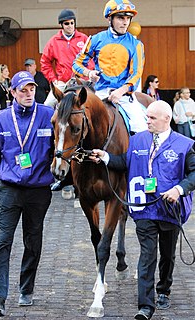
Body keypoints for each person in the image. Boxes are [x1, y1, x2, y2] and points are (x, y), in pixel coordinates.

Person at [90, 100, 195, 320]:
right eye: (147, 117)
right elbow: (124, 163)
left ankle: (164, 289)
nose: (147, 121)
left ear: (167, 119)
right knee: (147, 256)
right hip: (145, 210)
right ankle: (145, 307)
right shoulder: (136, 140)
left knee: (167, 255)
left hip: (170, 209)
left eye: (152, 118)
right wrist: (106, 157)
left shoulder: (185, 144)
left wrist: (179, 189)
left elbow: (193, 174)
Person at [0, 71, 55, 317]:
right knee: (3, 239)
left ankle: (26, 287)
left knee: (32, 241)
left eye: (31, 89)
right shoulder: (1, 120)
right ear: (12, 92)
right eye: (22, 90)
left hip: (39, 191)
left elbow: (65, 143)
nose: (28, 93)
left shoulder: (47, 115)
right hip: (10, 190)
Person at [72, 0, 147, 134]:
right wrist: (89, 73)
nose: (125, 22)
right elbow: (76, 64)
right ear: (109, 18)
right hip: (100, 93)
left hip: (124, 96)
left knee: (142, 129)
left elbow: (136, 74)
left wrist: (121, 91)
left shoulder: (136, 45)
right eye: (120, 18)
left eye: (128, 18)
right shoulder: (95, 39)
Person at [40, 9, 93, 108]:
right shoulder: (53, 41)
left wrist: (87, 74)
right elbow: (45, 62)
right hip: (63, 82)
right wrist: (53, 79)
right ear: (61, 25)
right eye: (66, 23)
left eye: (72, 23)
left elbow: (91, 59)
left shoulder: (84, 38)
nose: (70, 26)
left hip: (83, 81)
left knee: (98, 103)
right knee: (47, 105)